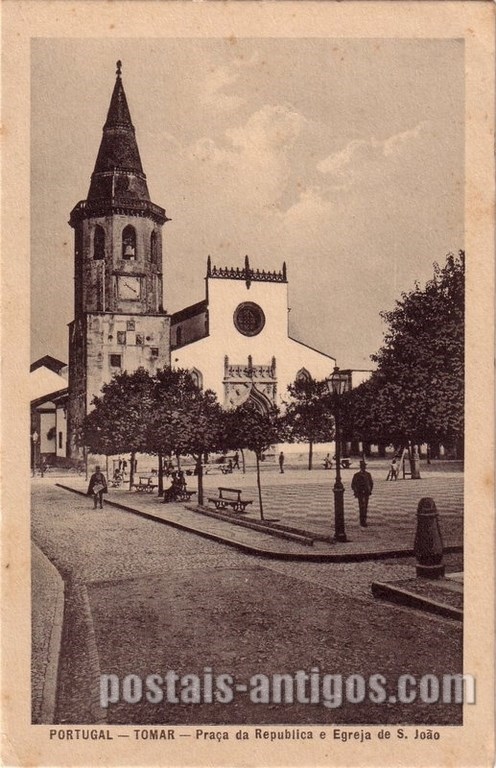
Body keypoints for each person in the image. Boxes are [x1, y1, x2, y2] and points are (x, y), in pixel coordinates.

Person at [351, 461, 373, 527]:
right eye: (362, 467)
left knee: (365, 506)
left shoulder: (368, 474)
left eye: (364, 466)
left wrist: (369, 490)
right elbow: (353, 484)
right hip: (360, 493)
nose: (364, 468)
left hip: (366, 493)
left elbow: (371, 483)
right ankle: (362, 521)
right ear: (360, 467)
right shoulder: (356, 475)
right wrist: (356, 491)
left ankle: (364, 520)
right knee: (361, 506)